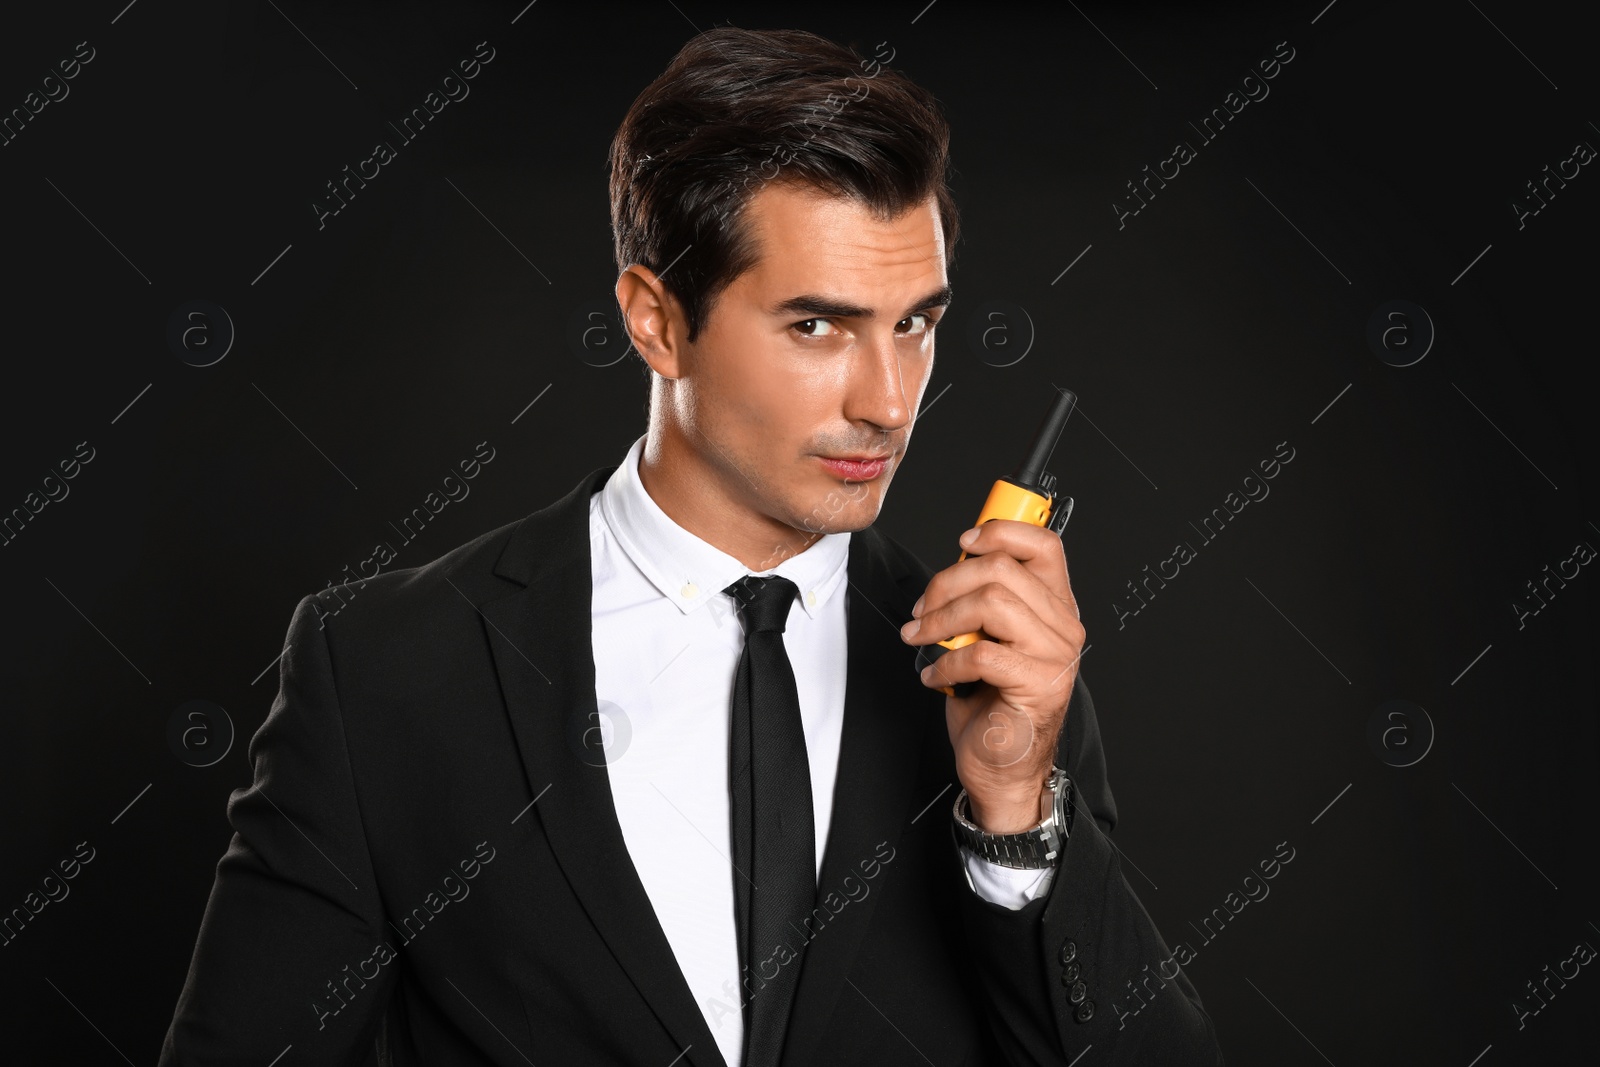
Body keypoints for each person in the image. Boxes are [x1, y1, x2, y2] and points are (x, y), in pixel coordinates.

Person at [159, 26, 1222, 1066]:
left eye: (915, 323)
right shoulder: (384, 668)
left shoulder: (1001, 676)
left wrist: (1011, 813)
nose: (890, 401)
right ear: (656, 320)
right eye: (817, 326)